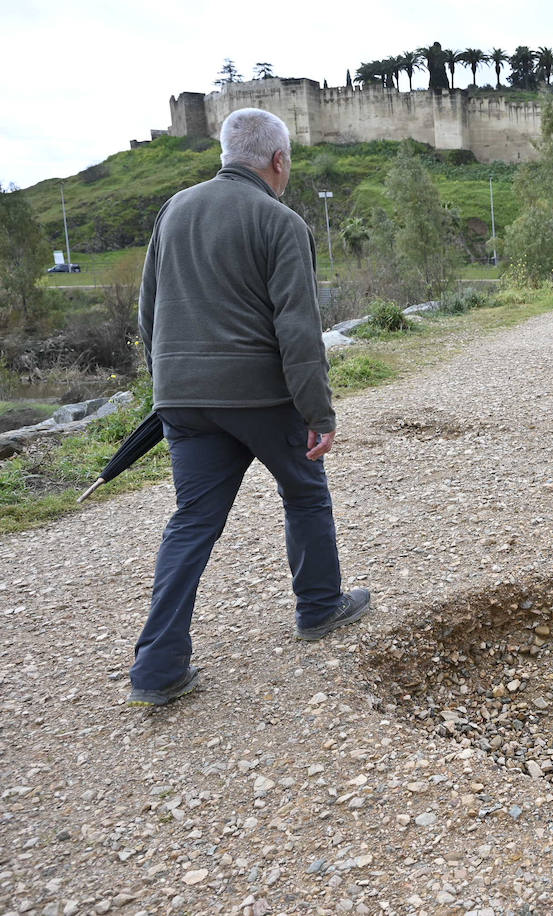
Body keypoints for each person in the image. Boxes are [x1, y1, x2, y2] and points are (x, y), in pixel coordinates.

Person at [129, 108, 370, 707]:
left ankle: (156, 669)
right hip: (260, 396)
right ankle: (318, 607)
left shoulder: (175, 210)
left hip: (183, 399)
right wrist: (319, 414)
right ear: (278, 161)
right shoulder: (280, 220)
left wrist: (169, 387)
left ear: (225, 154)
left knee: (192, 521)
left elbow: (148, 311)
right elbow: (298, 329)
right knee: (305, 490)